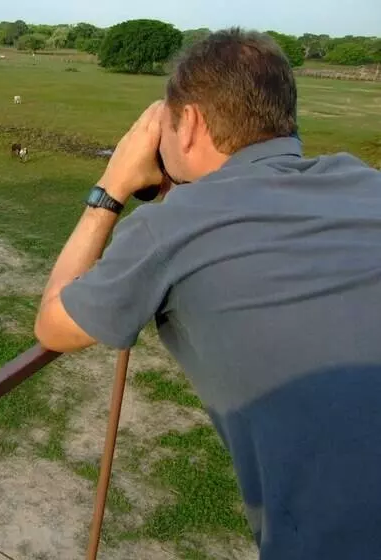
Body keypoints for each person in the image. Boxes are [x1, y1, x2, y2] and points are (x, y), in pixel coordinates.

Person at [34, 28, 381, 560]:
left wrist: (112, 186)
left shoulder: (170, 227)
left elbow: (54, 324)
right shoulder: (363, 183)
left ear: (189, 122)